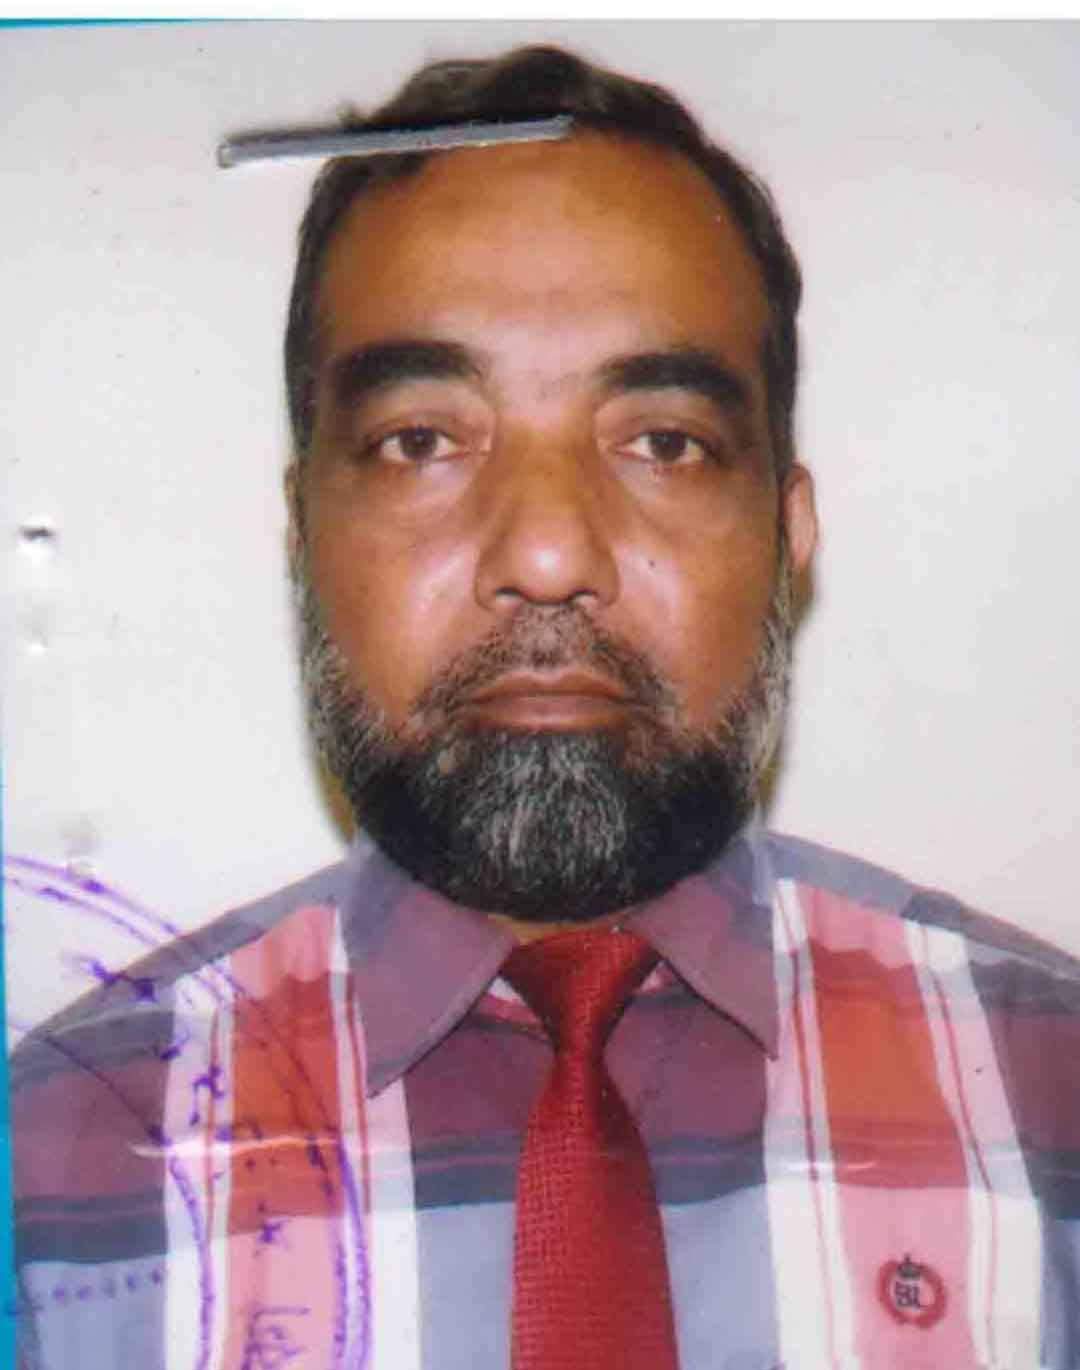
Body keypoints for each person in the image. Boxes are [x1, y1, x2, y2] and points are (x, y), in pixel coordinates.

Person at [11, 43, 1080, 1370]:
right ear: (302, 531)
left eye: (664, 442)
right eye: (421, 440)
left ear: (789, 531)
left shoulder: (1054, 1097)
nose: (549, 550)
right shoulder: (55, 1166)